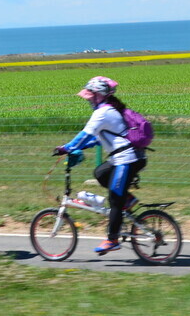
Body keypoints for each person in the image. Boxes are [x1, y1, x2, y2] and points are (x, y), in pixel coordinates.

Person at [53, 76, 146, 255]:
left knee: (115, 200)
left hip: (127, 159)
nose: (88, 100)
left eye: (90, 96)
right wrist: (77, 148)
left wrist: (66, 148)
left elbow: (85, 135)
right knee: (101, 173)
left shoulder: (102, 112)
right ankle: (128, 199)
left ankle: (112, 240)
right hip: (124, 158)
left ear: (99, 95)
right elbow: (96, 139)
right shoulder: (107, 110)